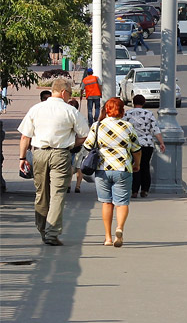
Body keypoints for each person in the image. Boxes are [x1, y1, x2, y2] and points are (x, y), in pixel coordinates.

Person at [17, 77, 88, 245]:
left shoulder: (36, 109)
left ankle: (42, 229)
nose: (69, 97)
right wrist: (71, 144)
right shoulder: (71, 111)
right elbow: (85, 135)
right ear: (63, 92)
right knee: (57, 194)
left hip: (39, 154)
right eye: (69, 94)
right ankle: (52, 233)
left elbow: (25, 136)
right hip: (61, 155)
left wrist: (21, 158)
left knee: (41, 193)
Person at [82, 97, 141, 247]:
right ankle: (119, 228)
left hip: (102, 169)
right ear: (122, 110)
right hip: (122, 168)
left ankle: (108, 237)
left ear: (106, 110)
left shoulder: (97, 126)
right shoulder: (128, 126)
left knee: (106, 203)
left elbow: (88, 146)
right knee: (121, 203)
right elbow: (137, 149)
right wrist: (137, 164)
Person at [125, 94, 165, 199]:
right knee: (145, 166)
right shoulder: (149, 114)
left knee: (135, 166)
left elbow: (124, 129)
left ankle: (134, 190)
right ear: (143, 103)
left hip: (133, 145)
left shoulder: (128, 114)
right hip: (147, 144)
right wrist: (161, 142)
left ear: (133, 103)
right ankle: (145, 190)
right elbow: (155, 129)